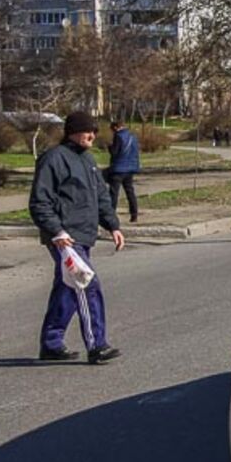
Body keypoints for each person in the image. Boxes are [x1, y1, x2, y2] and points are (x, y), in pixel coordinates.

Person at [29, 110, 126, 364]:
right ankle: (97, 345)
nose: (92, 135)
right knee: (85, 283)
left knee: (67, 289)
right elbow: (40, 202)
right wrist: (56, 232)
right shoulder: (53, 159)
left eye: (94, 130)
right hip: (65, 238)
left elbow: (101, 197)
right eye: (87, 130)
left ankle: (51, 344)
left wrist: (113, 225)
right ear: (72, 131)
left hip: (83, 234)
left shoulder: (88, 160)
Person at [105, 119, 141, 223]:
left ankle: (111, 215)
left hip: (119, 168)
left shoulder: (118, 136)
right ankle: (134, 214)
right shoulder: (133, 136)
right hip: (130, 168)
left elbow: (115, 152)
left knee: (114, 193)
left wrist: (110, 147)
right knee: (130, 191)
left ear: (116, 127)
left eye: (112, 130)